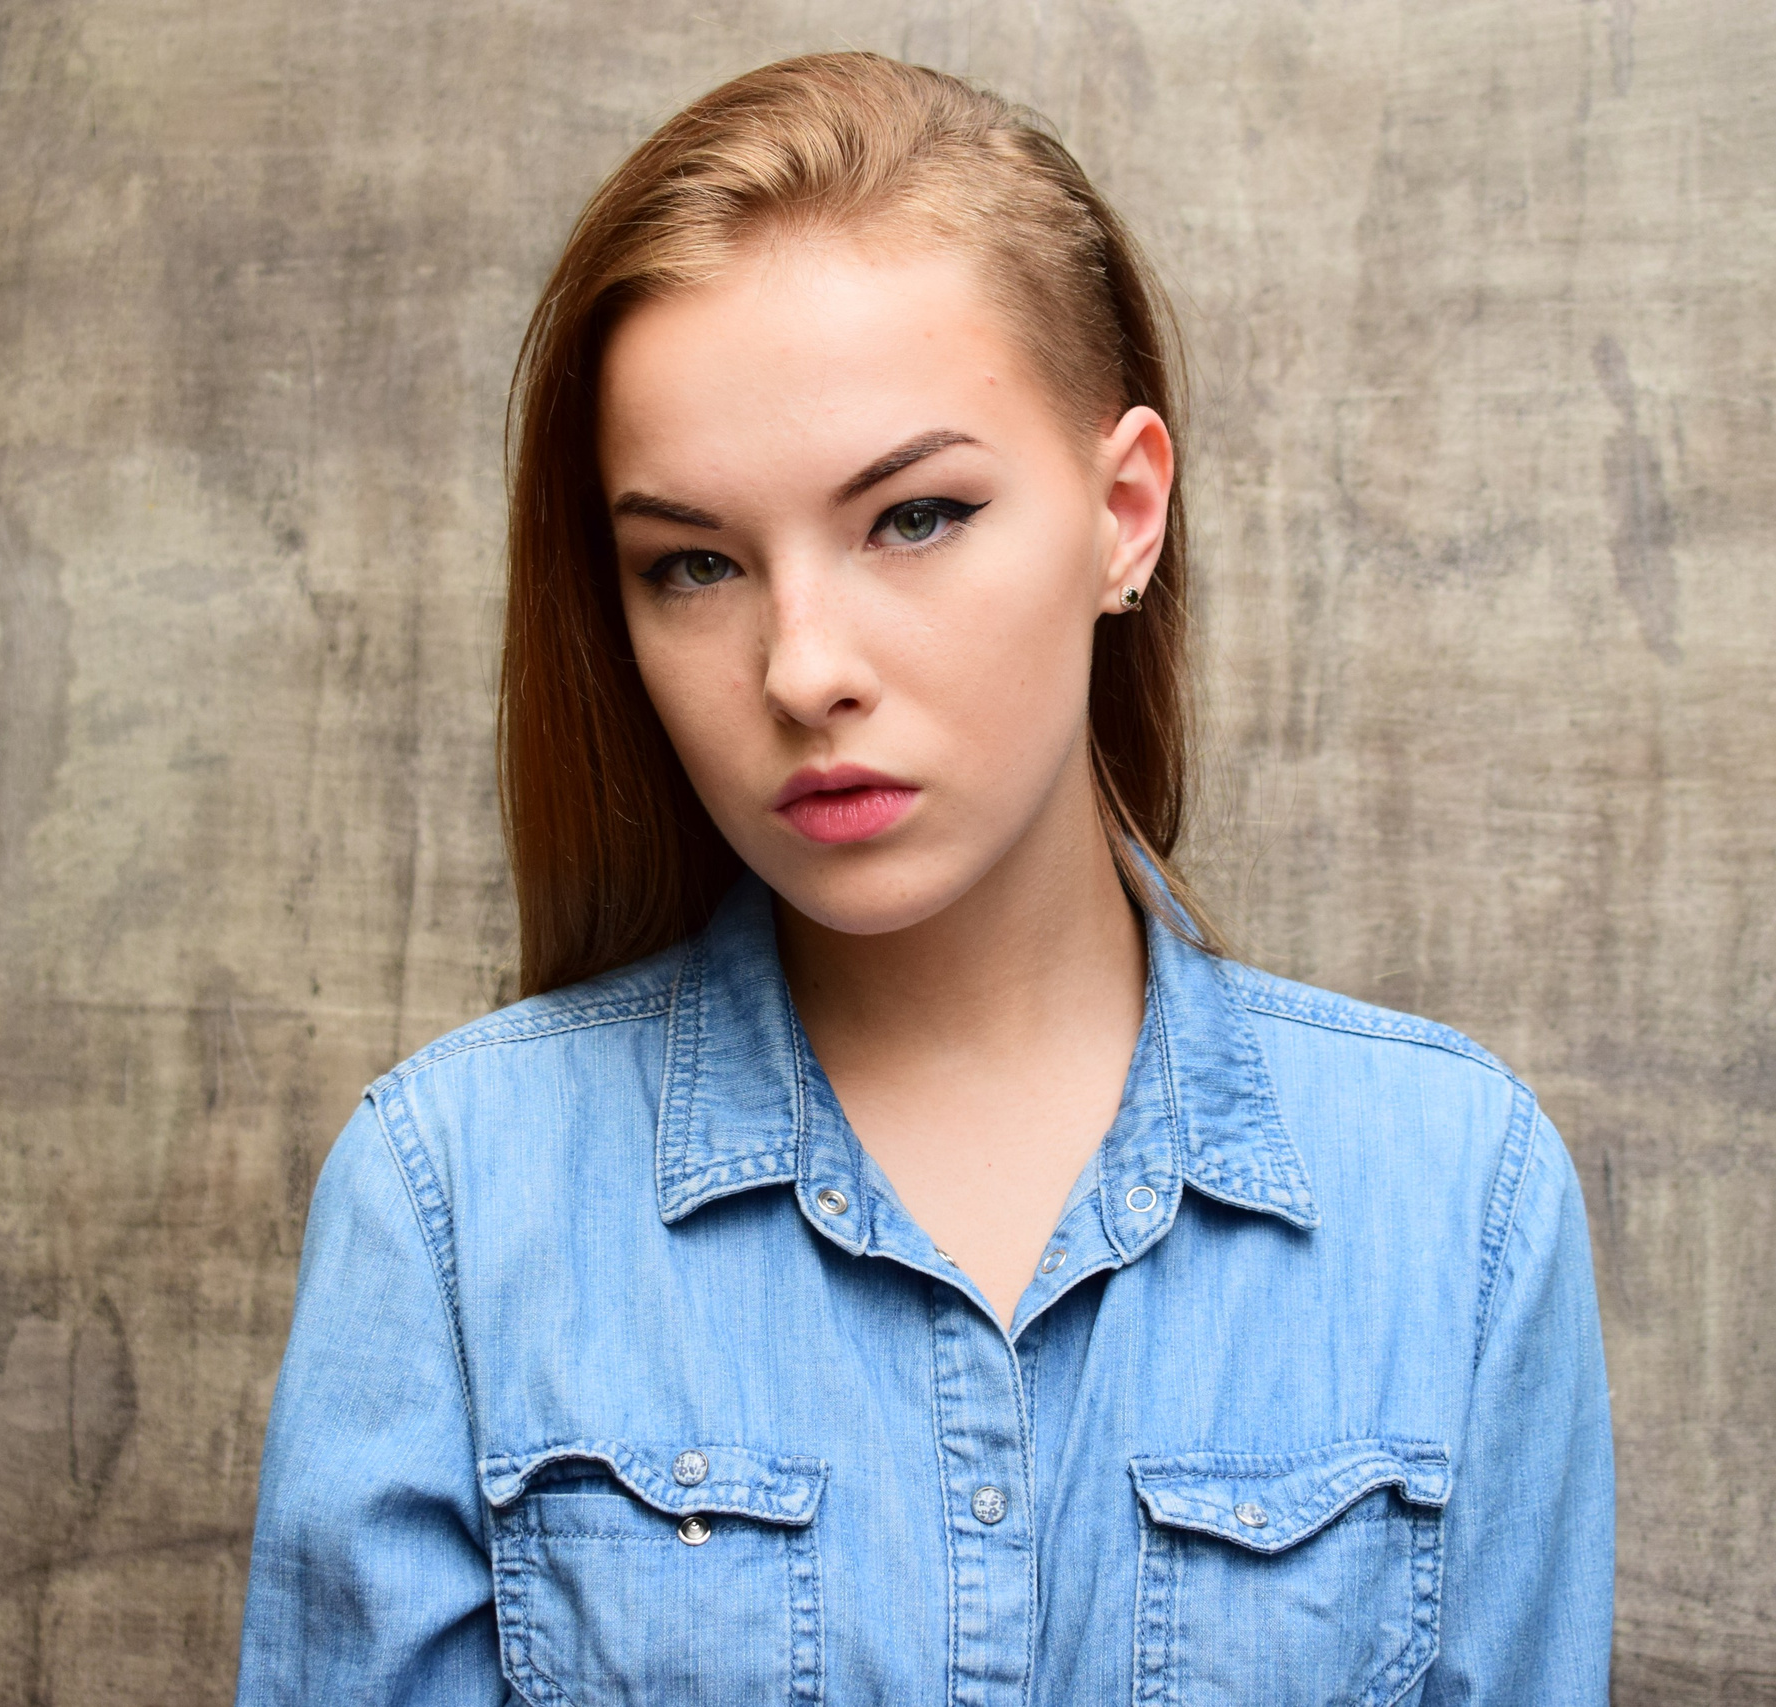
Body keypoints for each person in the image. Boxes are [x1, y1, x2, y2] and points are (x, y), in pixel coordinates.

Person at [236, 52, 1611, 1706]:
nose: (802, 668)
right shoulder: (451, 1205)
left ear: (1123, 512)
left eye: (913, 518)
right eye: (693, 563)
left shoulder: (1457, 1198)